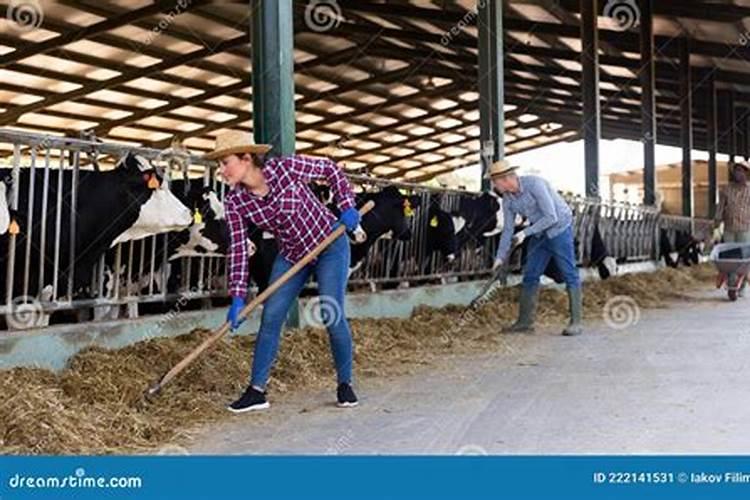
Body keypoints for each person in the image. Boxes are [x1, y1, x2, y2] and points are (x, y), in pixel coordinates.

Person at [205, 131, 361, 413]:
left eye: (225, 162)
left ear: (246, 158)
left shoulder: (285, 169)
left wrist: (347, 204)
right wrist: (238, 296)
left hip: (330, 246)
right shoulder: (235, 202)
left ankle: (345, 383)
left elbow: (329, 169)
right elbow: (239, 249)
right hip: (291, 256)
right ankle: (256, 391)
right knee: (272, 315)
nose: (221, 170)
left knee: (331, 311)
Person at [489, 159, 582, 336]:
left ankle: (576, 322)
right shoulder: (507, 200)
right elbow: (508, 230)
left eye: (495, 181)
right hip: (538, 233)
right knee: (531, 273)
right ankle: (525, 322)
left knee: (568, 272)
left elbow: (551, 217)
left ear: (506, 179)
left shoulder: (535, 185)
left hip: (559, 229)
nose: (494, 185)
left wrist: (524, 233)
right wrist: (499, 258)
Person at [715, 161, 750, 295]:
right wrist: (717, 220)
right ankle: (731, 282)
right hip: (729, 227)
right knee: (729, 256)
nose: (738, 174)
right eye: (736, 171)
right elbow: (720, 207)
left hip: (745, 227)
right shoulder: (726, 189)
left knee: (743, 257)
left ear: (746, 173)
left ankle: (742, 284)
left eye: (741, 171)